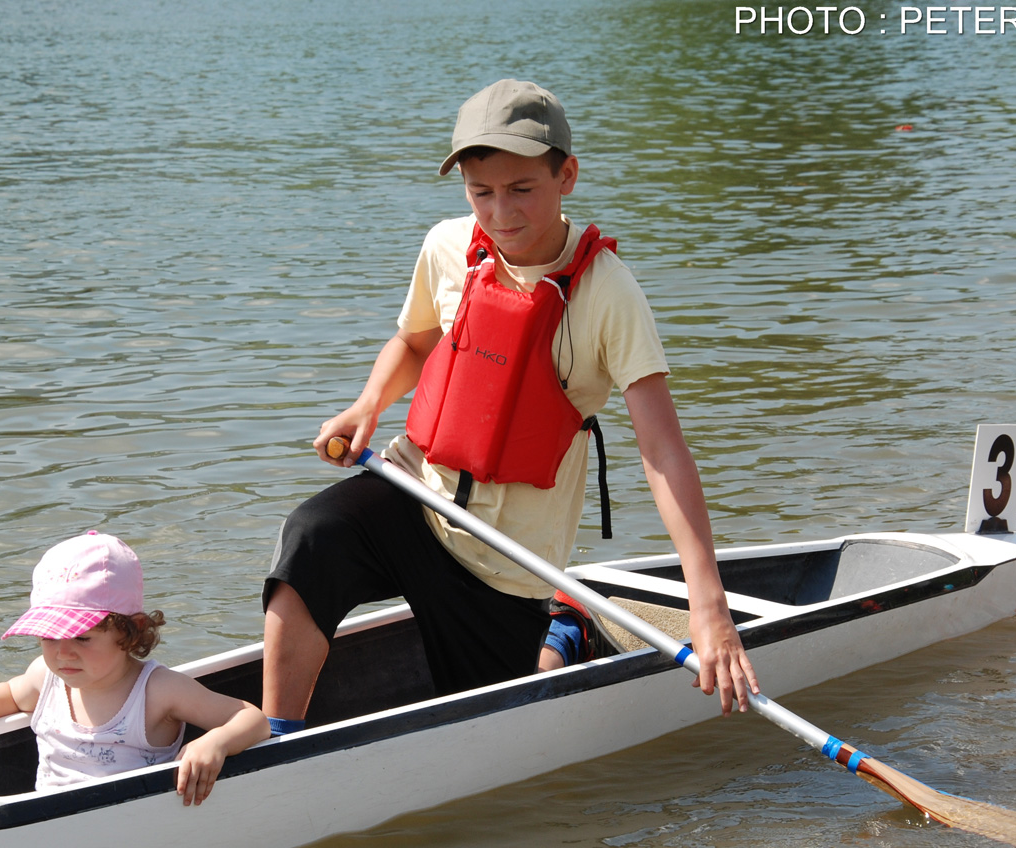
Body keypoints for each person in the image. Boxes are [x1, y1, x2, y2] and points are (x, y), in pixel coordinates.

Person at [262, 79, 758, 736]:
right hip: (416, 497)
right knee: (310, 540)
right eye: (480, 192)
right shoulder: (447, 247)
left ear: (567, 176)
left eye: (521, 189)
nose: (499, 213)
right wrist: (367, 405)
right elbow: (414, 341)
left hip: (508, 563)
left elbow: (663, 451)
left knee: (491, 726)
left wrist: (709, 608)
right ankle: (278, 743)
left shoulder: (608, 294)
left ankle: (564, 628)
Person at [0, 531, 269, 805]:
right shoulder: (45, 677)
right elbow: (11, 695)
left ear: (130, 631)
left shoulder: (157, 690)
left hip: (129, 821)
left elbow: (253, 720)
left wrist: (216, 742)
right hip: (46, 818)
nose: (63, 653)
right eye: (48, 638)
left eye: (82, 638)